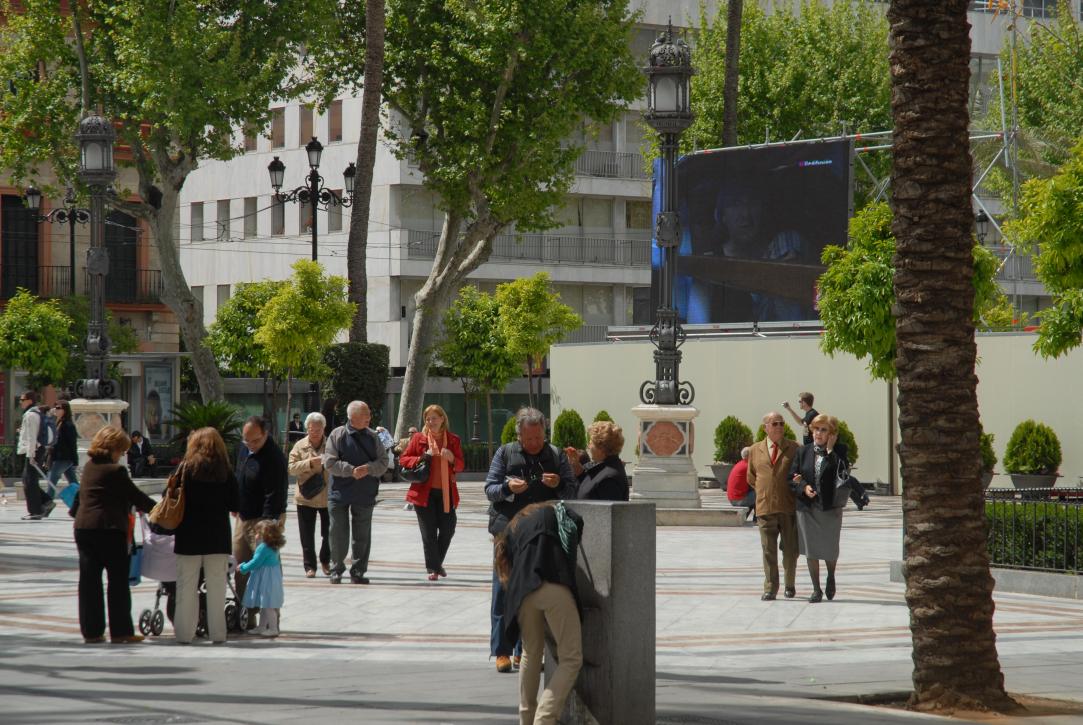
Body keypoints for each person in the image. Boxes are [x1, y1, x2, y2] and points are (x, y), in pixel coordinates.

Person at [484, 407, 576, 673]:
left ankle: (523, 650)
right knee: (502, 589)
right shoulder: (505, 452)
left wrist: (558, 483)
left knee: (533, 591)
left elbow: (572, 490)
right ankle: (501, 650)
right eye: (529, 439)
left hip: (541, 533)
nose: (534, 444)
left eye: (538, 438)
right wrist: (507, 489)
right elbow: (490, 489)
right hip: (507, 530)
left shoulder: (556, 455)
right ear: (519, 436)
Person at [494, 501, 584, 725]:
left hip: (523, 593)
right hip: (553, 583)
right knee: (571, 658)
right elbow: (577, 523)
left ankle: (526, 718)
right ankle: (544, 718)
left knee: (530, 653)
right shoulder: (553, 510)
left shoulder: (514, 527)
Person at [73, 425, 157, 643]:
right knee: (117, 582)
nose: (122, 455)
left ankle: (92, 632)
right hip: (110, 531)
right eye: (121, 450)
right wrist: (162, 512)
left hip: (84, 528)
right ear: (113, 448)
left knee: (89, 581)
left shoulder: (89, 467)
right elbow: (137, 497)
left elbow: (80, 500)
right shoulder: (116, 471)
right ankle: (121, 632)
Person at [172, 427, 240, 644]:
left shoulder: (185, 468)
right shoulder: (225, 471)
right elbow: (235, 503)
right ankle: (218, 634)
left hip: (188, 535)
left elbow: (169, 496)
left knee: (186, 588)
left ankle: (184, 634)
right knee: (217, 587)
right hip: (216, 537)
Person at [321, 401, 388, 585]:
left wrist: (368, 468)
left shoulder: (373, 436)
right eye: (365, 414)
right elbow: (329, 463)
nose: (369, 417)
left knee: (362, 535)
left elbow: (383, 462)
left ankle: (358, 571)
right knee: (337, 533)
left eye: (368, 414)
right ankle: (336, 569)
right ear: (353, 417)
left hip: (365, 493)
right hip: (339, 493)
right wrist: (351, 470)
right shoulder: (337, 435)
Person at [789, 414, 852, 603]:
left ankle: (831, 576)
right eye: (816, 429)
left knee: (830, 549)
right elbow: (792, 476)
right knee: (811, 550)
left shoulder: (840, 452)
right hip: (807, 508)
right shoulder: (803, 452)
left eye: (823, 430)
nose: (818, 433)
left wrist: (831, 452)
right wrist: (803, 487)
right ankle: (816, 589)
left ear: (832, 434)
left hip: (830, 508)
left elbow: (840, 473)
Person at [399, 405, 465, 581]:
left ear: (443, 419)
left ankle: (436, 564)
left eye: (434, 418)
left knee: (447, 529)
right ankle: (433, 569)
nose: (431, 422)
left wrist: (452, 458)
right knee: (428, 534)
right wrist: (422, 457)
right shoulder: (418, 439)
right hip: (423, 493)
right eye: (428, 419)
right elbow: (404, 459)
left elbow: (460, 465)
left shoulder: (453, 440)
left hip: (446, 493)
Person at [233, 416, 288, 623]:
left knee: (267, 567)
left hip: (265, 520)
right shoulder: (244, 449)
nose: (250, 445)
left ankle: (272, 617)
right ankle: (246, 614)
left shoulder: (274, 458)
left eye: (255, 441)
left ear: (265, 434)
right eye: (246, 441)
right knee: (241, 565)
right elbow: (239, 475)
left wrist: (266, 527)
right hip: (243, 516)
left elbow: (275, 495)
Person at [747, 411, 800, 601]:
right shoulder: (755, 450)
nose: (778, 427)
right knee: (768, 550)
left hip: (788, 507)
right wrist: (766, 491)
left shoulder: (794, 448)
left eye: (781, 423)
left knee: (791, 550)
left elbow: (799, 476)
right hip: (765, 507)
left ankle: (790, 584)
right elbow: (752, 477)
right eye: (774, 423)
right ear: (765, 428)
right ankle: (770, 587)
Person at [287, 412, 331, 578]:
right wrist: (309, 463)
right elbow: (291, 468)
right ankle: (309, 566)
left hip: (327, 496)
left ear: (324, 428)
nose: (315, 433)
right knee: (306, 535)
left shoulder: (332, 444)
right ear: (307, 429)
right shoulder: (299, 446)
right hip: (306, 496)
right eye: (312, 430)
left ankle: (326, 560)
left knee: (329, 534)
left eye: (319, 430)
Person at [238, 519, 286, 637]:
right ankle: (262, 627)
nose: (256, 535)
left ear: (265, 534)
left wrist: (243, 567)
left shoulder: (263, 548)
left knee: (268, 606)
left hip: (265, 579)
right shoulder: (273, 546)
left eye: (257, 532)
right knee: (265, 604)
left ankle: (273, 628)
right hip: (270, 578)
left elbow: (256, 562)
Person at [565, 420, 629, 501]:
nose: (588, 446)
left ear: (601, 447)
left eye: (591, 442)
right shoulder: (604, 467)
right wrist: (575, 464)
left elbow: (607, 511)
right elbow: (588, 483)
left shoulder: (610, 479)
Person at [17, 391, 55, 520]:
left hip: (34, 451)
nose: (20, 402)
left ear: (30, 400)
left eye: (22, 399)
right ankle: (46, 502)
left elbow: (32, 436)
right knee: (28, 480)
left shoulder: (31, 415)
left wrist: (31, 455)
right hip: (34, 450)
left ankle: (36, 511)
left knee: (29, 481)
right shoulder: (34, 413)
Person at [46, 400, 80, 500]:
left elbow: (72, 444)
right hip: (59, 457)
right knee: (73, 482)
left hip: (64, 458)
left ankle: (47, 503)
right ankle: (82, 501)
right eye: (55, 407)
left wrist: (75, 460)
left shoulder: (68, 425)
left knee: (52, 481)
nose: (55, 410)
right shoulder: (58, 423)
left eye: (58, 408)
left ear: (65, 410)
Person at [726, 446, 755, 516]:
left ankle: (747, 516)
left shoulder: (740, 464)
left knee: (754, 493)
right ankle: (758, 519)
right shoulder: (747, 466)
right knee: (762, 493)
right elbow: (756, 481)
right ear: (750, 456)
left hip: (732, 499)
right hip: (738, 500)